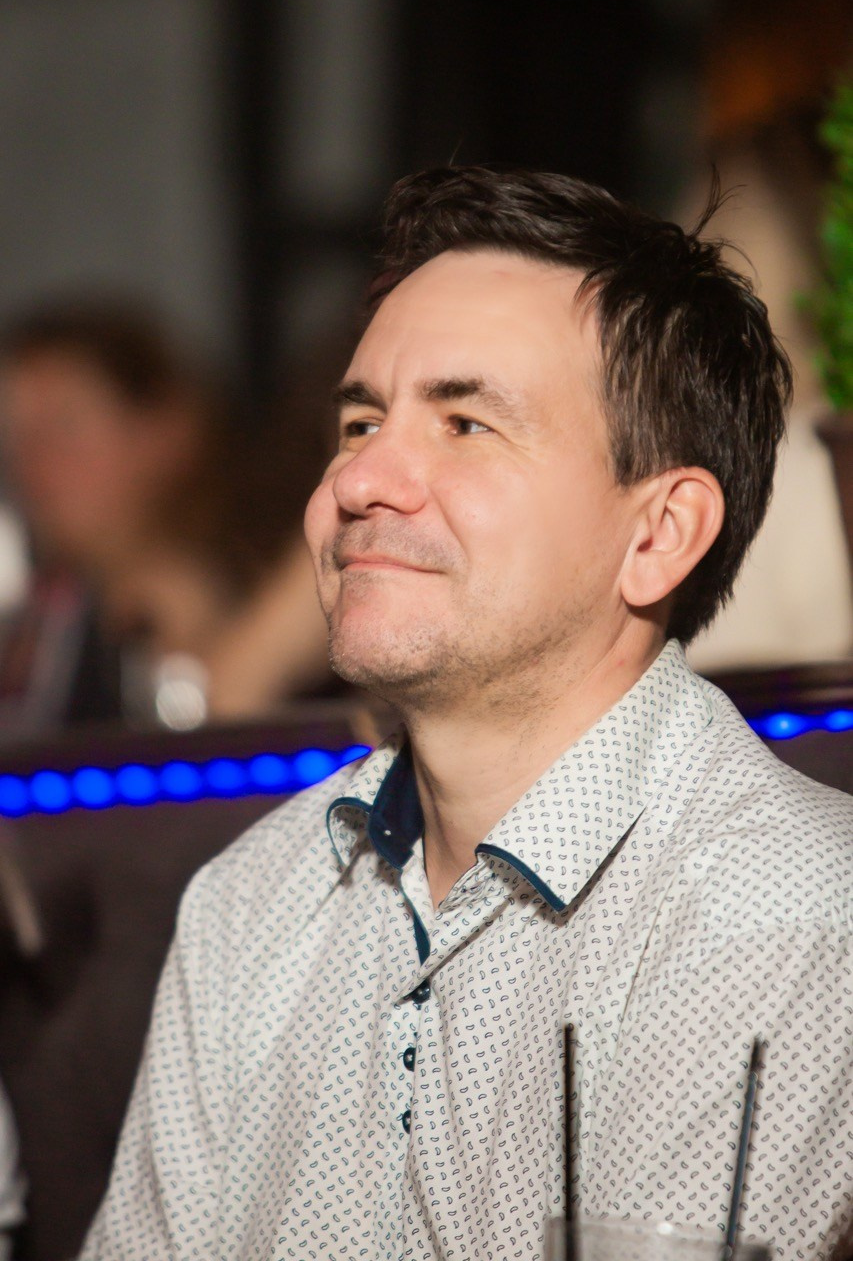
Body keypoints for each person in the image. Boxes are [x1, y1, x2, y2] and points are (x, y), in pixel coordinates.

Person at [80, 168, 852, 1260]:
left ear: (659, 533)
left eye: (464, 423)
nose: (360, 481)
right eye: (359, 422)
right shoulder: (251, 899)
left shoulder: (778, 912)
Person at [0, 299, 330, 731]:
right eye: (16, 435)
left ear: (167, 430)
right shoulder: (46, 612)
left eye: (65, 425)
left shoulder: (178, 602)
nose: (32, 462)